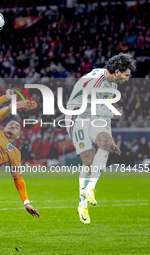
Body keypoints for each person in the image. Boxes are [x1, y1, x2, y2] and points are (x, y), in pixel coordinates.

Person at [65, 53, 137, 224]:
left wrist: (108, 137)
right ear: (117, 72)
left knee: (104, 143)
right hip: (77, 118)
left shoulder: (113, 85)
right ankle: (82, 204)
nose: (128, 79)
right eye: (127, 75)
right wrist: (113, 114)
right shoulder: (94, 82)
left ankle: (90, 188)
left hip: (93, 116)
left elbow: (102, 110)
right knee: (88, 161)